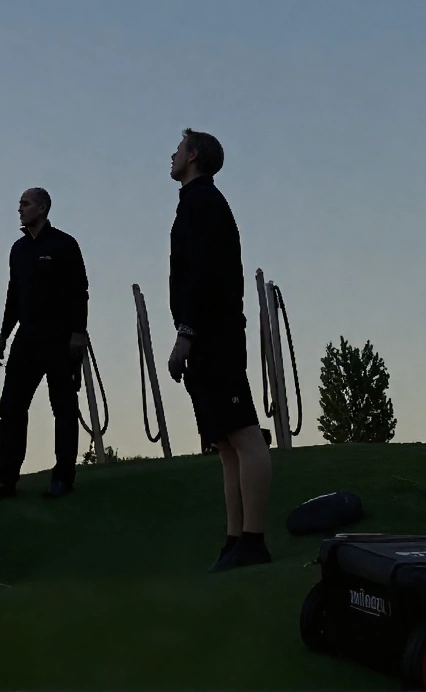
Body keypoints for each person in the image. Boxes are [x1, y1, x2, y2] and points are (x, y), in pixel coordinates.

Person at [166, 130, 272, 570]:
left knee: (244, 434)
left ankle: (254, 541)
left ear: (193, 156)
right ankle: (235, 540)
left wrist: (186, 333)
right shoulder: (192, 203)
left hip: (216, 334)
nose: (171, 155)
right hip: (206, 335)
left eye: (177, 149)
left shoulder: (204, 202)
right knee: (226, 442)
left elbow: (205, 274)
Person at [0, 187, 90, 502]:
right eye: (20, 204)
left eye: (25, 204)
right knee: (11, 407)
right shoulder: (19, 249)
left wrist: (78, 332)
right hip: (26, 339)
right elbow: (14, 295)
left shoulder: (64, 244)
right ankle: (4, 480)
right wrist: (4, 335)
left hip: (60, 339)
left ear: (42, 208)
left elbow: (79, 290)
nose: (20, 209)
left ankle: (63, 477)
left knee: (63, 408)